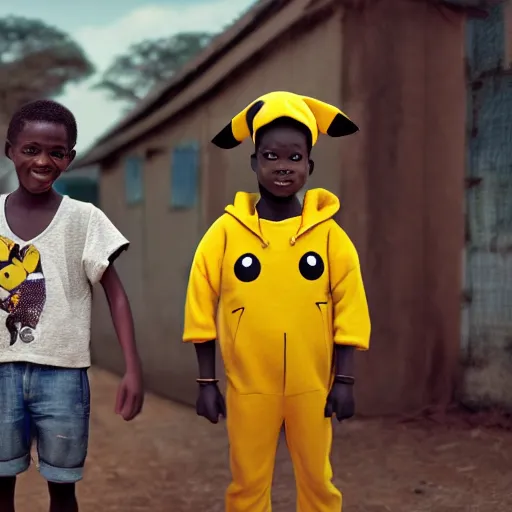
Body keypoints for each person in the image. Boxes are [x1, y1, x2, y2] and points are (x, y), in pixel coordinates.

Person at [183, 91, 371, 511]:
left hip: (313, 386)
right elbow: (200, 301)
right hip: (249, 387)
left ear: (310, 165)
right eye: (270, 156)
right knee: (247, 482)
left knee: (318, 480)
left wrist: (344, 381)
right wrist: (206, 382)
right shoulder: (226, 233)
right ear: (253, 163)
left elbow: (350, 306)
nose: (282, 167)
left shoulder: (329, 236)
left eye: (294, 157)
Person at [0, 99, 144, 512]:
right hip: (1, 369)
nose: (42, 161)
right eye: (30, 149)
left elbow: (114, 292)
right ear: (10, 149)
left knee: (63, 489)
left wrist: (132, 368)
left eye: (56, 152)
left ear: (70, 158)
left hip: (62, 374)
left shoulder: (84, 219)